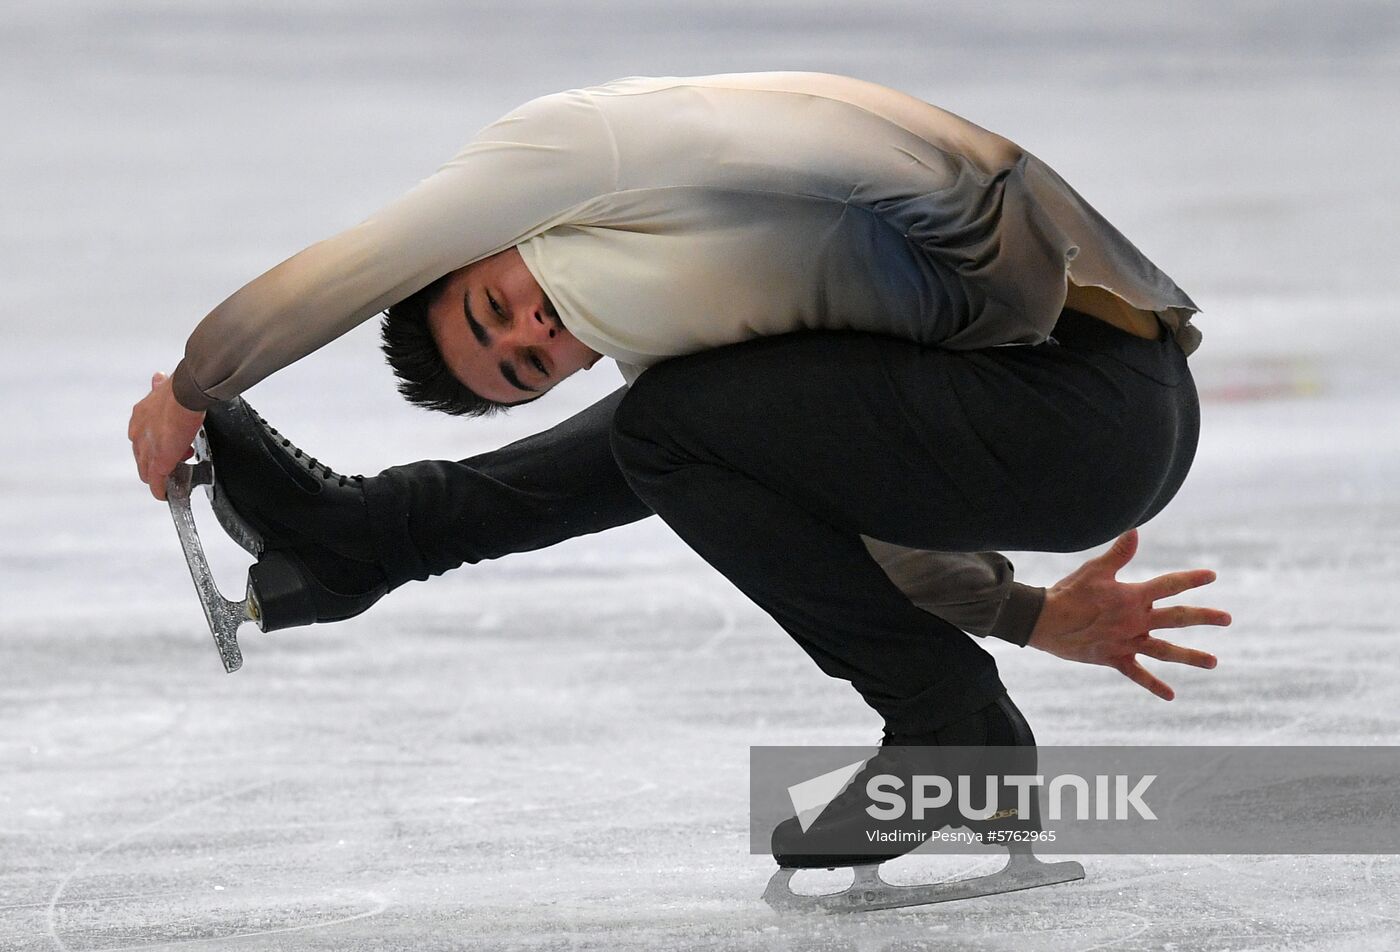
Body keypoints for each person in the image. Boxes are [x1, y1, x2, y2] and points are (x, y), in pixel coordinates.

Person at [128, 72, 1230, 895]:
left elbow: (372, 255)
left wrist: (199, 381)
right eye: (526, 365)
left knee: (671, 428)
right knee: (683, 423)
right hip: (1068, 410)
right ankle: (371, 536)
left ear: (475, 250)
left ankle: (946, 731)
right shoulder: (686, 323)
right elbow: (843, 491)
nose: (533, 329)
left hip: (1082, 391)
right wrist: (1016, 612)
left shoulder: (576, 149)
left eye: (490, 304)